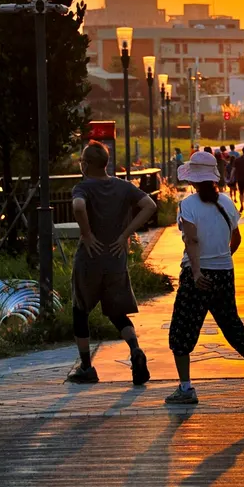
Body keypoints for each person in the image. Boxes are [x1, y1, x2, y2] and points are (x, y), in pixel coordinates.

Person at [166, 150, 244, 405]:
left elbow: (191, 240)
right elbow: (236, 239)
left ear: (192, 180)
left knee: (182, 330)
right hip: (225, 272)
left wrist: (196, 273)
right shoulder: (227, 202)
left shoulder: (188, 205)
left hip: (198, 275)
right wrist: (223, 259)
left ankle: (185, 388)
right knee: (231, 324)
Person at [70, 140, 157, 384]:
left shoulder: (83, 187)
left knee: (80, 310)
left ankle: (87, 368)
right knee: (117, 313)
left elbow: (78, 206)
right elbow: (150, 205)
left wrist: (87, 235)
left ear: (86, 165)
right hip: (116, 260)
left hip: (89, 261)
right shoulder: (123, 187)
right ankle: (135, 350)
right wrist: (125, 234)